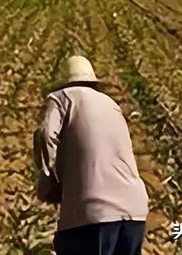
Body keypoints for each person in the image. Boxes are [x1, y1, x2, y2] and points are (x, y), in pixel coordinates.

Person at [33, 55, 149, 255]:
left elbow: (45, 135)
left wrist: (49, 180)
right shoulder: (111, 104)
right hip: (135, 211)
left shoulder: (62, 97)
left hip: (92, 213)